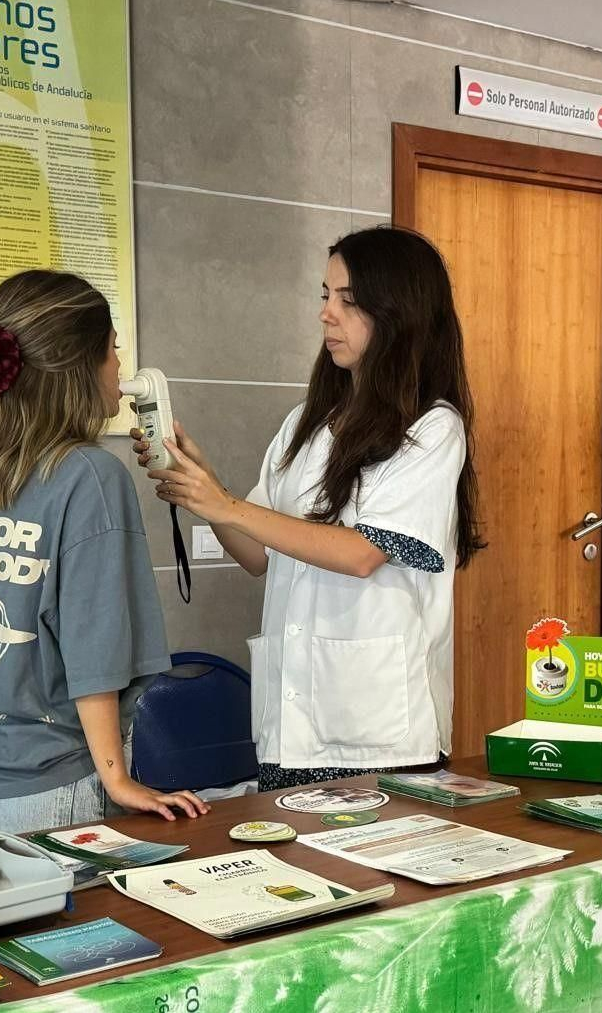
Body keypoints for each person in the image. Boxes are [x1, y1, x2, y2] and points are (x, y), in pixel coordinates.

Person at [136, 226, 483, 791]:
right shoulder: (307, 422)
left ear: (399, 312)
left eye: (347, 300)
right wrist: (201, 489)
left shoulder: (433, 427)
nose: (327, 314)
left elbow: (364, 553)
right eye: (325, 295)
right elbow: (255, 553)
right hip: (290, 721)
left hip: (376, 728)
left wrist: (226, 503)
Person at [0, 269, 208, 829]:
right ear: (81, 368)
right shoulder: (89, 475)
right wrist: (116, 778)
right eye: (112, 351)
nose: (119, 369)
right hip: (56, 788)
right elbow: (94, 647)